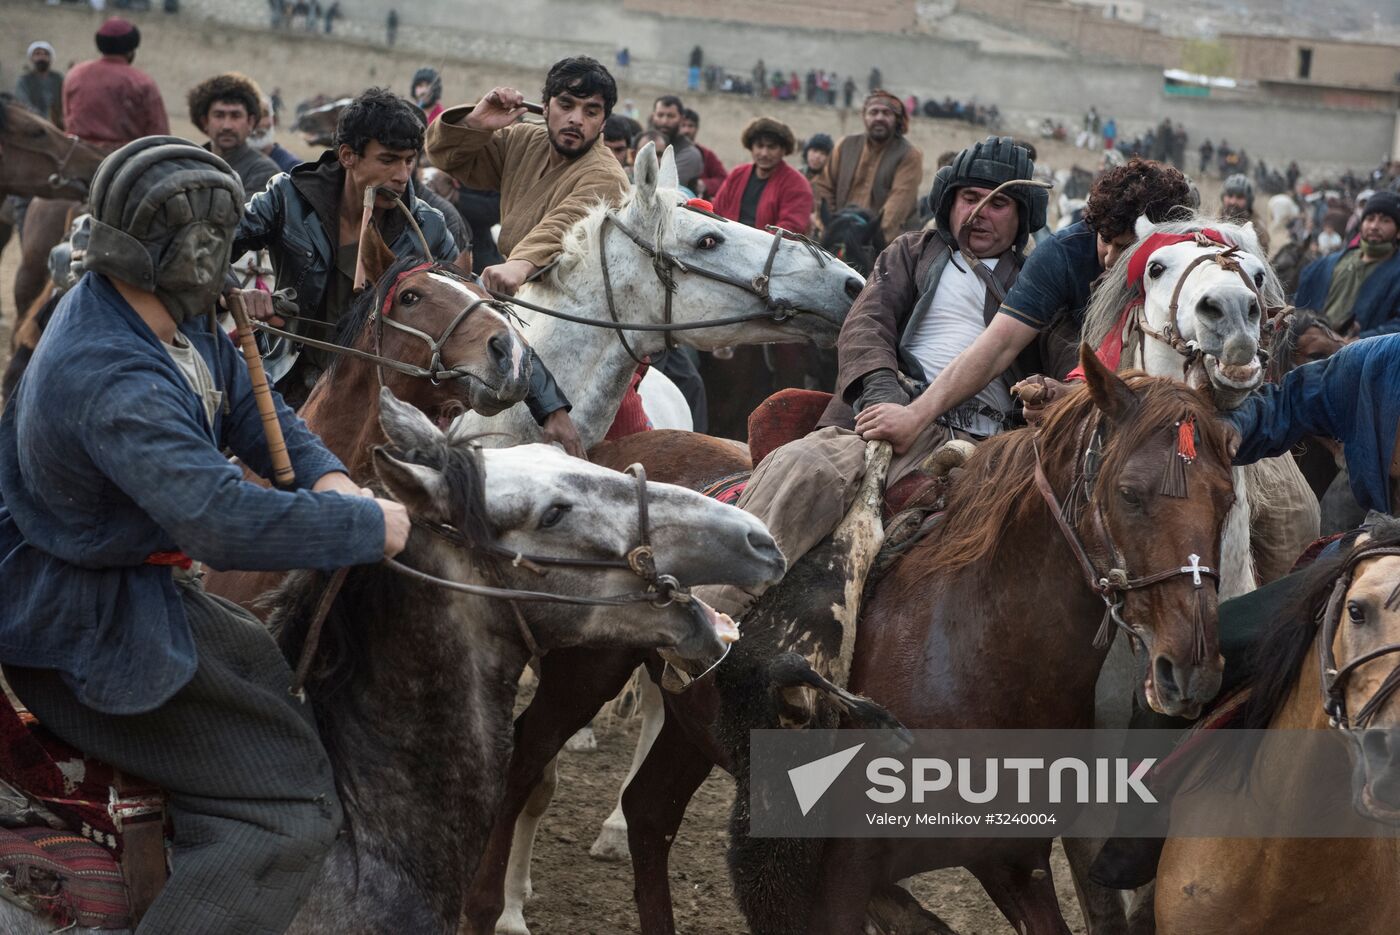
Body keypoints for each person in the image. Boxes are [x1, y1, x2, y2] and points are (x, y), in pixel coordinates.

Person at [0, 137, 405, 934]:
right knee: (291, 812)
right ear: (196, 248)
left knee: (263, 664)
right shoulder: (114, 375)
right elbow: (220, 522)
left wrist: (330, 478)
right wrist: (363, 522)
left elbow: (250, 405)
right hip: (82, 619)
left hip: (117, 580)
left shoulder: (153, 306)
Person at [701, 138, 1046, 619]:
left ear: (1022, 216)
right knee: (807, 467)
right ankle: (706, 619)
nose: (979, 213)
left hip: (990, 442)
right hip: (888, 410)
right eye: (970, 198)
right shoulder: (911, 252)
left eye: (999, 203)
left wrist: (1053, 393)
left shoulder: (1038, 281)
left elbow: (1072, 360)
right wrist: (886, 396)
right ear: (950, 202)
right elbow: (867, 326)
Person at [864, 158, 1192, 451]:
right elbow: (999, 344)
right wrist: (912, 414)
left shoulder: (1195, 274)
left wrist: (1070, 395)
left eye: (1125, 248)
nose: (1108, 258)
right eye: (1105, 239)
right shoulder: (1062, 256)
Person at [426, 56, 629, 298]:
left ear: (603, 122)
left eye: (591, 112)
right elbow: (447, 157)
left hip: (570, 305)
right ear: (545, 107)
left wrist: (520, 264)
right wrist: (476, 122)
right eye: (566, 105)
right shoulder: (523, 141)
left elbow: (564, 226)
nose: (576, 119)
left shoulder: (607, 176)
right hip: (513, 293)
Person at [811, 90, 924, 245]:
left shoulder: (909, 155)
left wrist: (865, 238)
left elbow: (896, 209)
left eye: (886, 113)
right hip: (839, 234)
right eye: (874, 112)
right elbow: (824, 188)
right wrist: (832, 228)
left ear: (896, 119)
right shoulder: (844, 146)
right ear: (865, 117)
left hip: (883, 243)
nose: (879, 118)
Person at [1294, 189, 1400, 337]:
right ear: (1362, 224)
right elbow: (1298, 305)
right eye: (1370, 219)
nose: (1374, 226)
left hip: (1365, 358)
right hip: (1310, 353)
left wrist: (1360, 341)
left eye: (1385, 220)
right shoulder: (1325, 264)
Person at [62, 17, 168, 149]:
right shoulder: (142, 82)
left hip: (76, 155)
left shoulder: (75, 74)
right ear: (131, 50)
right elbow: (159, 136)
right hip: (124, 161)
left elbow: (67, 118)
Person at [186, 73, 282, 196]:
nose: (227, 126)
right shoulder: (189, 164)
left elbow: (245, 214)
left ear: (250, 122)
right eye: (219, 115)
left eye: (235, 116)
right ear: (205, 121)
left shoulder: (264, 172)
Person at [712, 117, 812, 233]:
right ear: (751, 148)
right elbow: (716, 212)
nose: (764, 153)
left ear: (783, 150)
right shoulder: (737, 175)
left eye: (772, 147)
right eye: (759, 146)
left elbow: (789, 229)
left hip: (770, 249)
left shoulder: (797, 184)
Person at [646, 95, 703, 192]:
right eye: (660, 115)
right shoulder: (644, 143)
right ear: (653, 116)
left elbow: (664, 188)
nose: (664, 121)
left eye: (671, 116)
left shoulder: (689, 153)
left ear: (681, 119)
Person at [248, 92, 302, 173]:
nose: (258, 123)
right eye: (250, 116)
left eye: (264, 115)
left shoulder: (292, 168)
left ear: (274, 120)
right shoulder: (228, 164)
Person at [679, 108, 727, 199]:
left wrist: (704, 184)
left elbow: (724, 180)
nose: (686, 130)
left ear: (697, 129)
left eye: (690, 126)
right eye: (683, 125)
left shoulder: (707, 155)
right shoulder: (667, 150)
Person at [14, 40, 63, 125]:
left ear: (50, 58)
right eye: (37, 54)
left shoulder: (58, 79)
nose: (42, 57)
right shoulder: (24, 81)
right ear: (32, 58)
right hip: (34, 125)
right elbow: (24, 104)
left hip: (58, 125)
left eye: (45, 54)